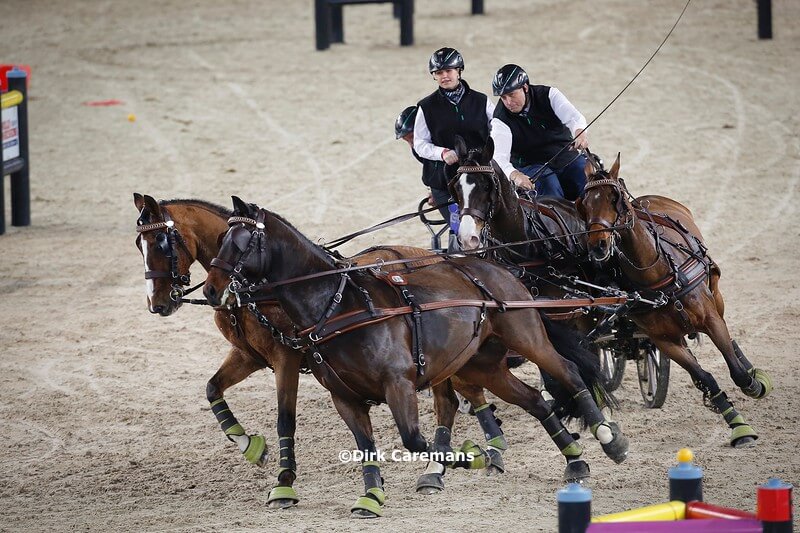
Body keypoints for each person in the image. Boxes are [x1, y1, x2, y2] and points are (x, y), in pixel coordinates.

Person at [490, 63, 589, 200]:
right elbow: (499, 157)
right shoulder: (500, 119)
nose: (508, 102)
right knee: (549, 187)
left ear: (525, 87)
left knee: (587, 180)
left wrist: (580, 133)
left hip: (564, 155)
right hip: (531, 165)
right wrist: (515, 175)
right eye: (503, 97)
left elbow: (575, 118)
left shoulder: (549, 95)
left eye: (511, 95)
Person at [413, 47, 495, 212]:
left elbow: (498, 131)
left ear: (459, 71)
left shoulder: (481, 101)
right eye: (439, 72)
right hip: (445, 181)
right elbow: (420, 144)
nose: (444, 76)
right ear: (434, 76)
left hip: (481, 176)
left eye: (448, 71)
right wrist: (442, 153)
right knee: (459, 225)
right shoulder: (426, 107)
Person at [395, 105, 460, 248]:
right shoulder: (418, 149)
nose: (412, 145)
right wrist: (433, 190)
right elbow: (431, 169)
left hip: (464, 184)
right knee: (457, 228)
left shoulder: (446, 138)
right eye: (407, 141)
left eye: (412, 138)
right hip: (443, 189)